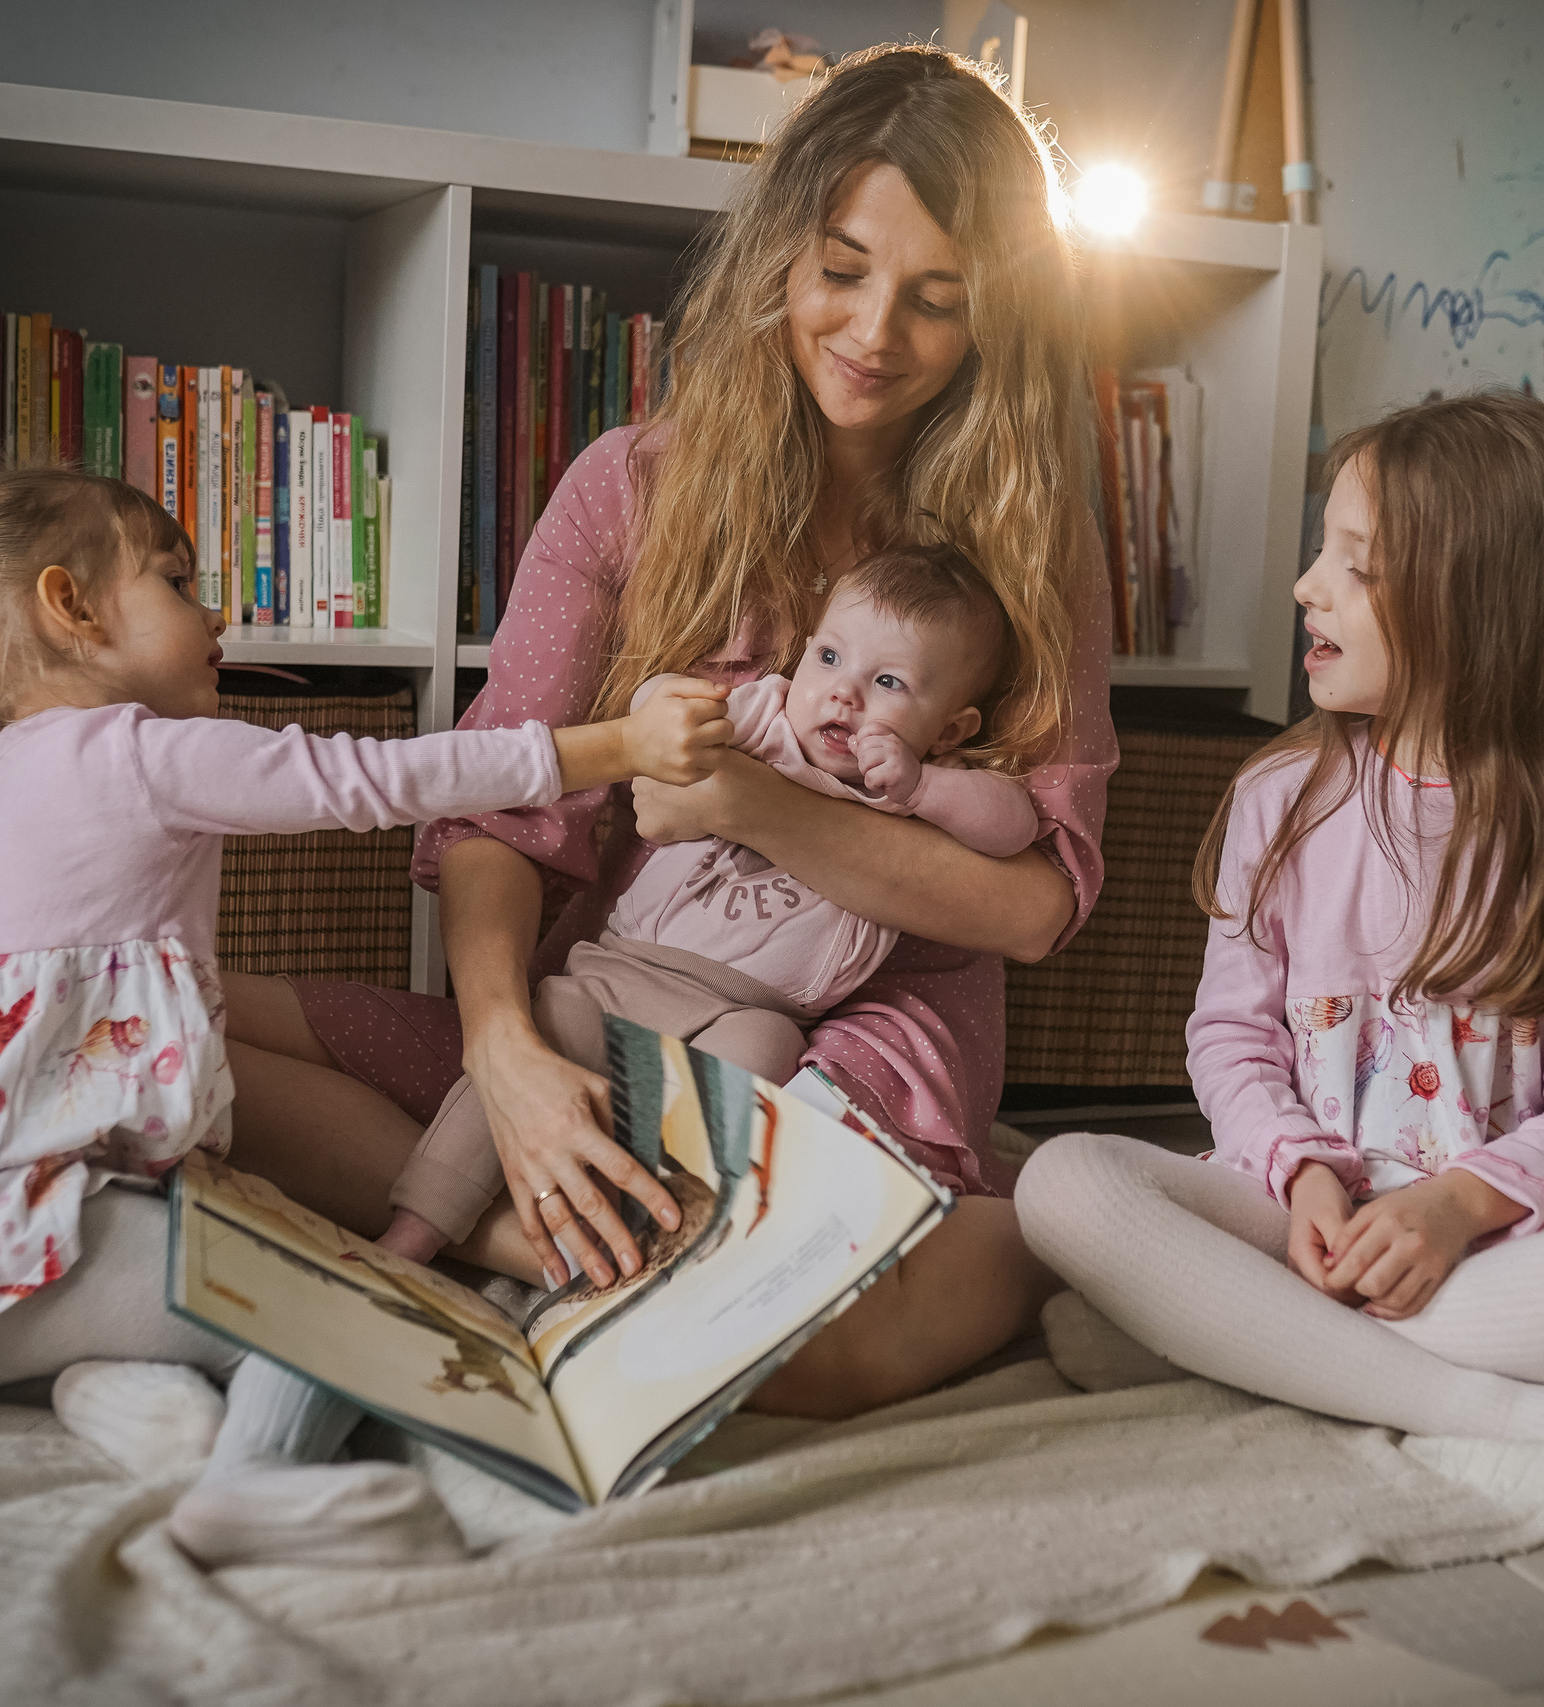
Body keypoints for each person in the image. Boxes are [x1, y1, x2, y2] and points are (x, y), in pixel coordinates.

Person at [225, 45, 1114, 1418]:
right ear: (778, 254)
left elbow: (1036, 906)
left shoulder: (1030, 546)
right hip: (611, 996)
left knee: (798, 1351)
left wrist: (751, 804)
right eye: (841, 270)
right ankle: (565, 1236)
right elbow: (499, 804)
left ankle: (1008, 1235)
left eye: (937, 299)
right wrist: (505, 1057)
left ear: (998, 316)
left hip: (859, 1035)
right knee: (156, 1032)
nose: (875, 332)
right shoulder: (627, 489)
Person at [0, 467, 728, 1564]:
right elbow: (373, 779)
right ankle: (254, 1484)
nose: (216, 618)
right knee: (336, 1296)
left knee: (223, 1254)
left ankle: (120, 1399)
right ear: (71, 607)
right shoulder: (129, 750)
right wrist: (619, 745)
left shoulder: (12, 773)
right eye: (176, 581)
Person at [1014, 392, 1544, 1515]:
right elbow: (1230, 1040)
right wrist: (1306, 1174)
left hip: (1496, 1239)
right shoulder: (1279, 798)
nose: (1306, 586)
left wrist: (1453, 1209)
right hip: (1297, 1217)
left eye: (1357, 566)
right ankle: (1498, 1408)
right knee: (1062, 1182)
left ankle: (1238, 1340)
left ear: (1487, 608)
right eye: (1324, 552)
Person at [380, 544, 1038, 1268]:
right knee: (539, 1044)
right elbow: (652, 705)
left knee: (765, 1061)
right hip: (623, 971)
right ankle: (417, 1228)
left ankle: (659, 1232)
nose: (843, 694)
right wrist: (668, 709)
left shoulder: (926, 786)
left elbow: (1016, 826)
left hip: (756, 1009)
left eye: (888, 681)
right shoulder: (767, 719)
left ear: (950, 728)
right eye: (828, 657)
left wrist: (923, 787)